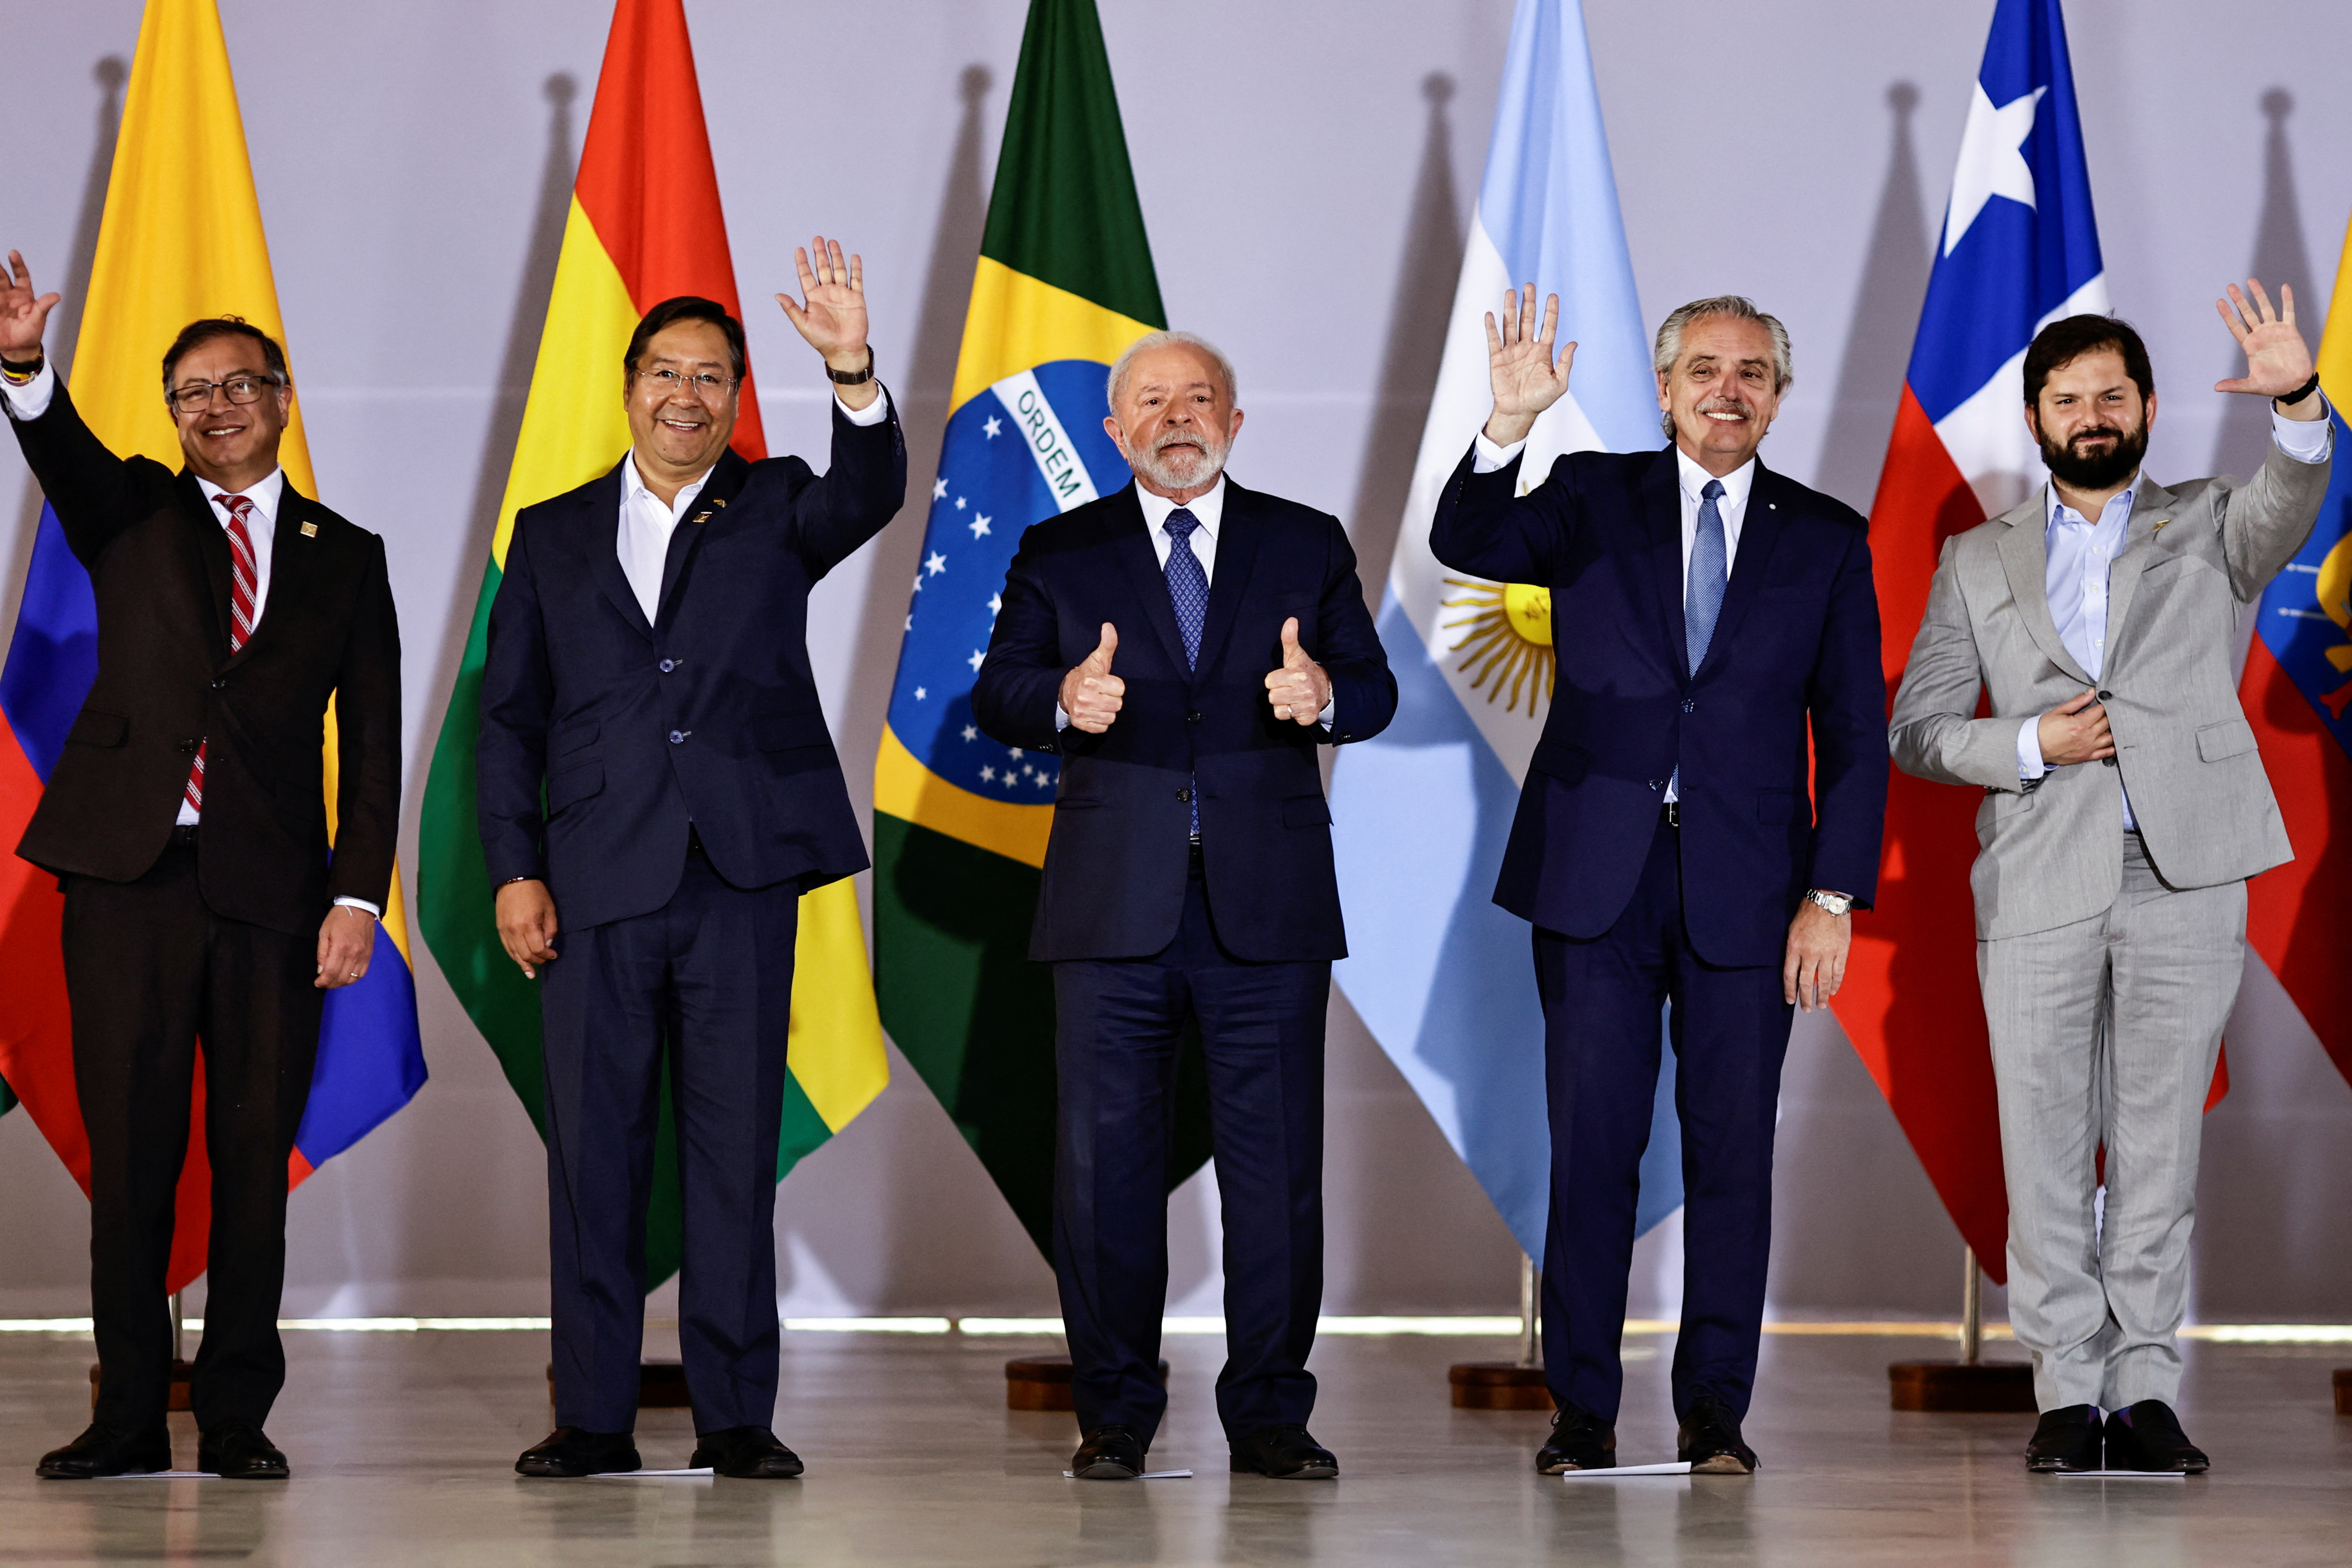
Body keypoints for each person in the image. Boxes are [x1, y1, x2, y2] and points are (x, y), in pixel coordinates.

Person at [1432, 290, 1888, 1475]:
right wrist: (1505, 426)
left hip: (1753, 892)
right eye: (1702, 369)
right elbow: (1467, 542)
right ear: (1665, 384)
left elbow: (1851, 732)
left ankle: (1713, 1413)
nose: (1725, 389)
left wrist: (1831, 896)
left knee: (1731, 1154)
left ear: (1777, 396)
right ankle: (1580, 1408)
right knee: (1590, 1147)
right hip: (1595, 881)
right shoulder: (1586, 495)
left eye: (1749, 372)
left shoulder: (1827, 537)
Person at [476, 239, 904, 1479]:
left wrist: (852, 370)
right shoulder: (551, 534)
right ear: (628, 387)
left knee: (729, 1155)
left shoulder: (774, 506)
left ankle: (735, 1416)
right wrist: (515, 866)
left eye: (713, 376)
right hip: (595, 879)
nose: (688, 395)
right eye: (666, 372)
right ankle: (594, 1417)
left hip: (739, 875)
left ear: (734, 395)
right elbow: (510, 720)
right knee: (593, 1157)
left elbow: (869, 489)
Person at [1889, 286, 2331, 1475]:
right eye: (2067, 398)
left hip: (2185, 873)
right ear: (2034, 419)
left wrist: (2295, 397)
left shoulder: (2208, 522)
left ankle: (2141, 1391)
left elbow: (2292, 493)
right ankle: (2061, 1389)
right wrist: (2033, 745)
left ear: (2144, 408)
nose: (2091, 414)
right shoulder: (1974, 557)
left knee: (2154, 1146)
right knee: (2038, 1143)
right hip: (2035, 876)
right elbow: (1918, 728)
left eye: (2111, 395)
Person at [0, 253, 400, 1480]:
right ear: (171, 415)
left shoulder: (347, 552)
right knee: (131, 1158)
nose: (215, 406)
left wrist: (354, 895)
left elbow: (373, 742)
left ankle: (235, 1412)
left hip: (273, 896)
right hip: (126, 879)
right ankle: (128, 1411)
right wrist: (24, 364)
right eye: (191, 392)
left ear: (283, 400)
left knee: (248, 1155)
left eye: (239, 385)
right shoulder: (130, 509)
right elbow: (58, 445)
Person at [971, 331, 1395, 1481]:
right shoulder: (1060, 550)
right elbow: (997, 692)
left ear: (1235, 422)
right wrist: (1061, 694)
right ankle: (1115, 1410)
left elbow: (1374, 686)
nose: (1176, 415)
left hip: (1267, 906)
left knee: (1273, 1174)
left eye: (1198, 398)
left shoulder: (1302, 542)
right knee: (1105, 1173)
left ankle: (1268, 1413)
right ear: (1115, 432)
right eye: (1150, 401)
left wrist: (1323, 694)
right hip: (1113, 905)